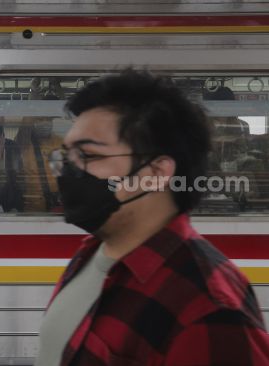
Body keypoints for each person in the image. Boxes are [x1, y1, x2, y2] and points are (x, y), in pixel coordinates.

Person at [36, 69, 269, 365]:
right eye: (65, 157)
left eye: (90, 156)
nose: (67, 172)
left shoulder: (210, 312)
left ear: (156, 173)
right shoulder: (91, 254)